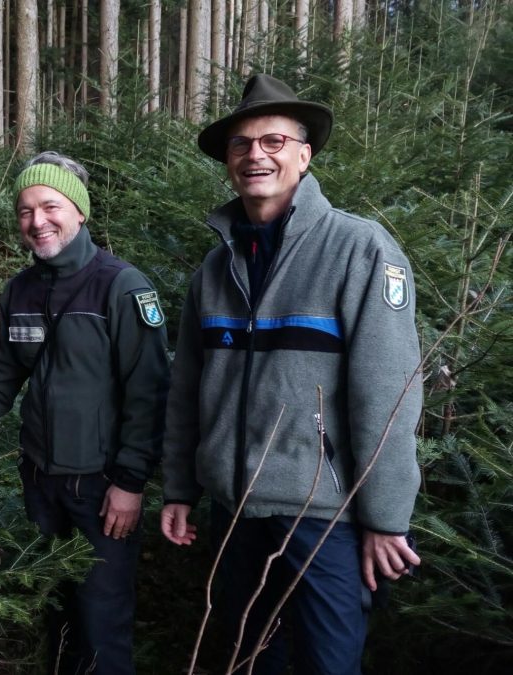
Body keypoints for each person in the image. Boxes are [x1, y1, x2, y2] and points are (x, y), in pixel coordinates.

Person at [159, 74, 423, 674]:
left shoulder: (360, 249)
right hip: (233, 512)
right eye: (241, 145)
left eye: (274, 142)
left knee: (328, 666)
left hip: (323, 517)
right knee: (250, 662)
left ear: (304, 156)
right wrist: (181, 487)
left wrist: (384, 519)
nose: (256, 155)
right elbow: (187, 392)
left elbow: (389, 393)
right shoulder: (214, 268)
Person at [0, 151, 170, 674]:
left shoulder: (121, 286)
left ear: (79, 212)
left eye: (50, 206)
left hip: (101, 491)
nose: (37, 222)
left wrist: (130, 481)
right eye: (25, 211)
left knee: (101, 623)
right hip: (40, 483)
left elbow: (149, 394)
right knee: (56, 616)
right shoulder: (19, 292)